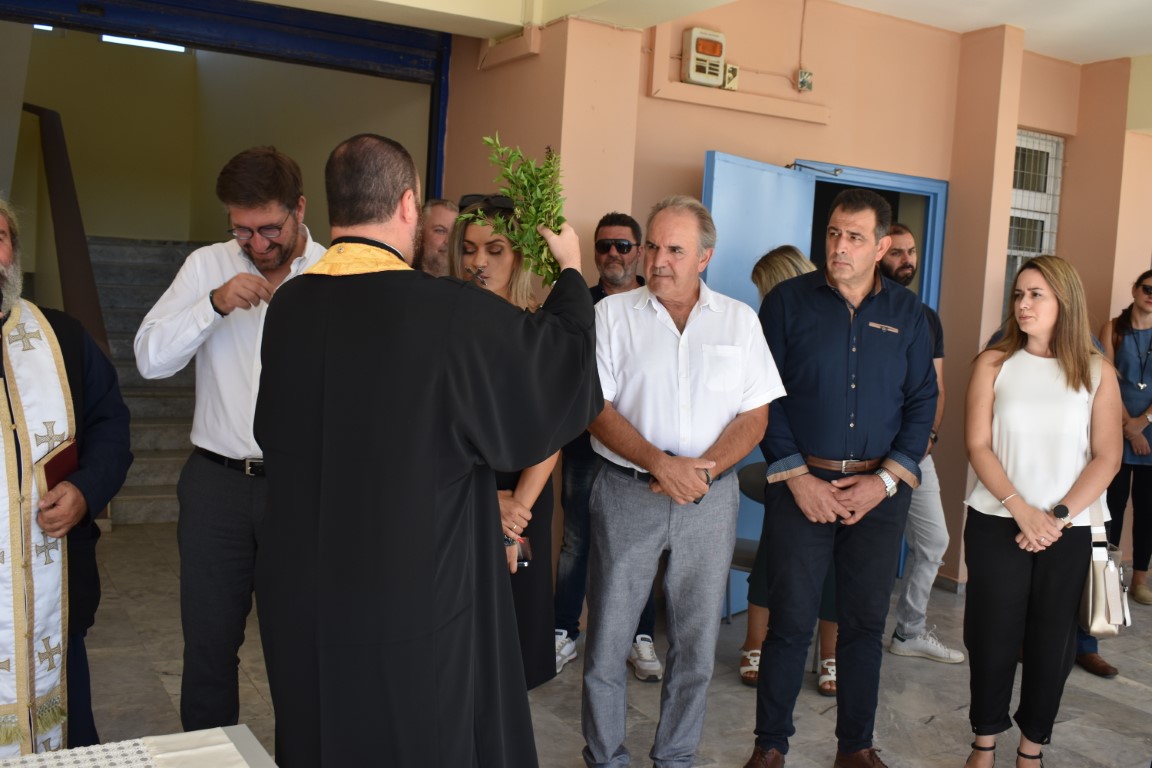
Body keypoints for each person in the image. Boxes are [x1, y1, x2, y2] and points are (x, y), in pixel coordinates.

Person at [253, 133, 601, 767]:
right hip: (410, 582)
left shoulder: (289, 305)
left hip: (304, 575)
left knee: (321, 721)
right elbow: (556, 371)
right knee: (417, 729)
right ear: (409, 205)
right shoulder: (445, 311)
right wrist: (572, 272)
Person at [582, 195, 784, 768]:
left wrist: (704, 470)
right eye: (652, 246)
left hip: (709, 500)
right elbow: (595, 407)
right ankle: (605, 758)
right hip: (627, 492)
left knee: (695, 644)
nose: (658, 260)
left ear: (704, 257)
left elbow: (755, 414)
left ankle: (674, 757)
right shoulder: (611, 315)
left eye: (675, 249)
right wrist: (660, 464)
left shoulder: (739, 321)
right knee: (608, 642)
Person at [134, 146, 326, 730]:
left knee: (303, 646)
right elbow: (149, 359)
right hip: (215, 486)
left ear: (299, 208)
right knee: (209, 647)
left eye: (269, 228)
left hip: (301, 488)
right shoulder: (206, 266)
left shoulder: (332, 271)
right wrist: (213, 305)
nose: (256, 244)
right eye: (241, 229)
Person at [744, 188, 937, 768]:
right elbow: (762, 396)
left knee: (863, 626)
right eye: (833, 233)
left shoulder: (910, 315)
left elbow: (921, 405)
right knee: (789, 623)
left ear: (881, 246)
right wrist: (798, 478)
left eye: (854, 237)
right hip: (802, 489)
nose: (839, 247)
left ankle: (854, 748)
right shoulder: (786, 303)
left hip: (878, 496)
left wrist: (885, 483)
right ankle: (769, 747)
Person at [962, 255, 1121, 768]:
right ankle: (984, 744)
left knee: (1053, 643)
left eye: (1036, 295)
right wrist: (1021, 510)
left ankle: (1031, 751)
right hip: (996, 521)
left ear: (1064, 302)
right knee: (991, 635)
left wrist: (1055, 517)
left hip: (1069, 529)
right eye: (1019, 294)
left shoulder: (1098, 372)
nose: (1023, 305)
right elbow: (978, 445)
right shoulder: (993, 363)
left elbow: (1108, 456)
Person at [0, 200, 132, 755]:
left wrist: (85, 490)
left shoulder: (62, 338)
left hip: (54, 590)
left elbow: (111, 427)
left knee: (68, 736)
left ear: (13, 250)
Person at [446, 194, 561, 690]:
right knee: (454, 638)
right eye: (469, 249)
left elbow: (553, 431)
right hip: (455, 489)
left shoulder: (541, 329)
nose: (479, 262)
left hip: (525, 491)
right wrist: (481, 499)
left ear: (519, 256)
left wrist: (515, 514)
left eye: (494, 250)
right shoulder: (441, 327)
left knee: (514, 627)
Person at [554, 211, 663, 683]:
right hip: (584, 443)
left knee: (639, 546)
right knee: (576, 541)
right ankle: (563, 631)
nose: (613, 254)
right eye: (604, 246)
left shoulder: (657, 303)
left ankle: (640, 636)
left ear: (638, 251)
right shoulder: (578, 302)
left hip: (639, 451)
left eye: (623, 245)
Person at [740, 246, 839, 694]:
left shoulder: (831, 322)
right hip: (786, 458)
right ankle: (755, 644)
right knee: (774, 555)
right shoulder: (770, 325)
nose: (763, 300)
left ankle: (830, 655)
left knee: (834, 562)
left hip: (833, 458)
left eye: (765, 289)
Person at [877, 223, 964, 664]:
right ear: (879, 253)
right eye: (897, 252)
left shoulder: (927, 317)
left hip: (914, 454)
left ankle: (909, 631)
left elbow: (938, 387)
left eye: (911, 252)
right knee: (859, 549)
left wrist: (928, 436)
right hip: (865, 455)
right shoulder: (862, 309)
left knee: (934, 541)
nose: (907, 260)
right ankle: (840, 642)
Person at [1101, 269, 1152, 609]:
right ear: (1134, 289)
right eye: (1147, 288)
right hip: (1116, 428)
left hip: (1149, 431)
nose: (1151, 296)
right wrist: (1128, 427)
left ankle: (1140, 581)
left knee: (1147, 510)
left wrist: (1142, 424)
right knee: (1113, 507)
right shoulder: (1113, 330)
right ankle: (1108, 581)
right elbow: (1105, 378)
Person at [413, 197, 457, 276]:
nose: (449, 241)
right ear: (420, 233)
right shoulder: (404, 278)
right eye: (440, 231)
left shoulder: (466, 280)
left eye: (455, 232)